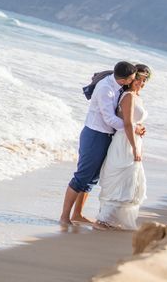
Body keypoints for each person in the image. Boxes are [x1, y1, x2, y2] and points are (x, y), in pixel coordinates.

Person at [59, 61, 142, 226]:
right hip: (94, 134)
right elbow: (109, 118)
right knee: (82, 176)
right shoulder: (105, 89)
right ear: (125, 79)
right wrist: (132, 129)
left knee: (92, 179)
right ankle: (64, 217)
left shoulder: (118, 85)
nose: (135, 80)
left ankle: (77, 214)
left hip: (106, 136)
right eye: (133, 78)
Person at [96, 64, 151, 230]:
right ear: (131, 79)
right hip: (125, 142)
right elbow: (127, 124)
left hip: (132, 138)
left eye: (144, 80)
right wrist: (135, 149)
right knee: (122, 179)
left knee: (128, 180)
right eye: (138, 79)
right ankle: (103, 220)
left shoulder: (136, 96)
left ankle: (113, 219)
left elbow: (133, 122)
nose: (140, 83)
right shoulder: (128, 96)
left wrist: (139, 127)